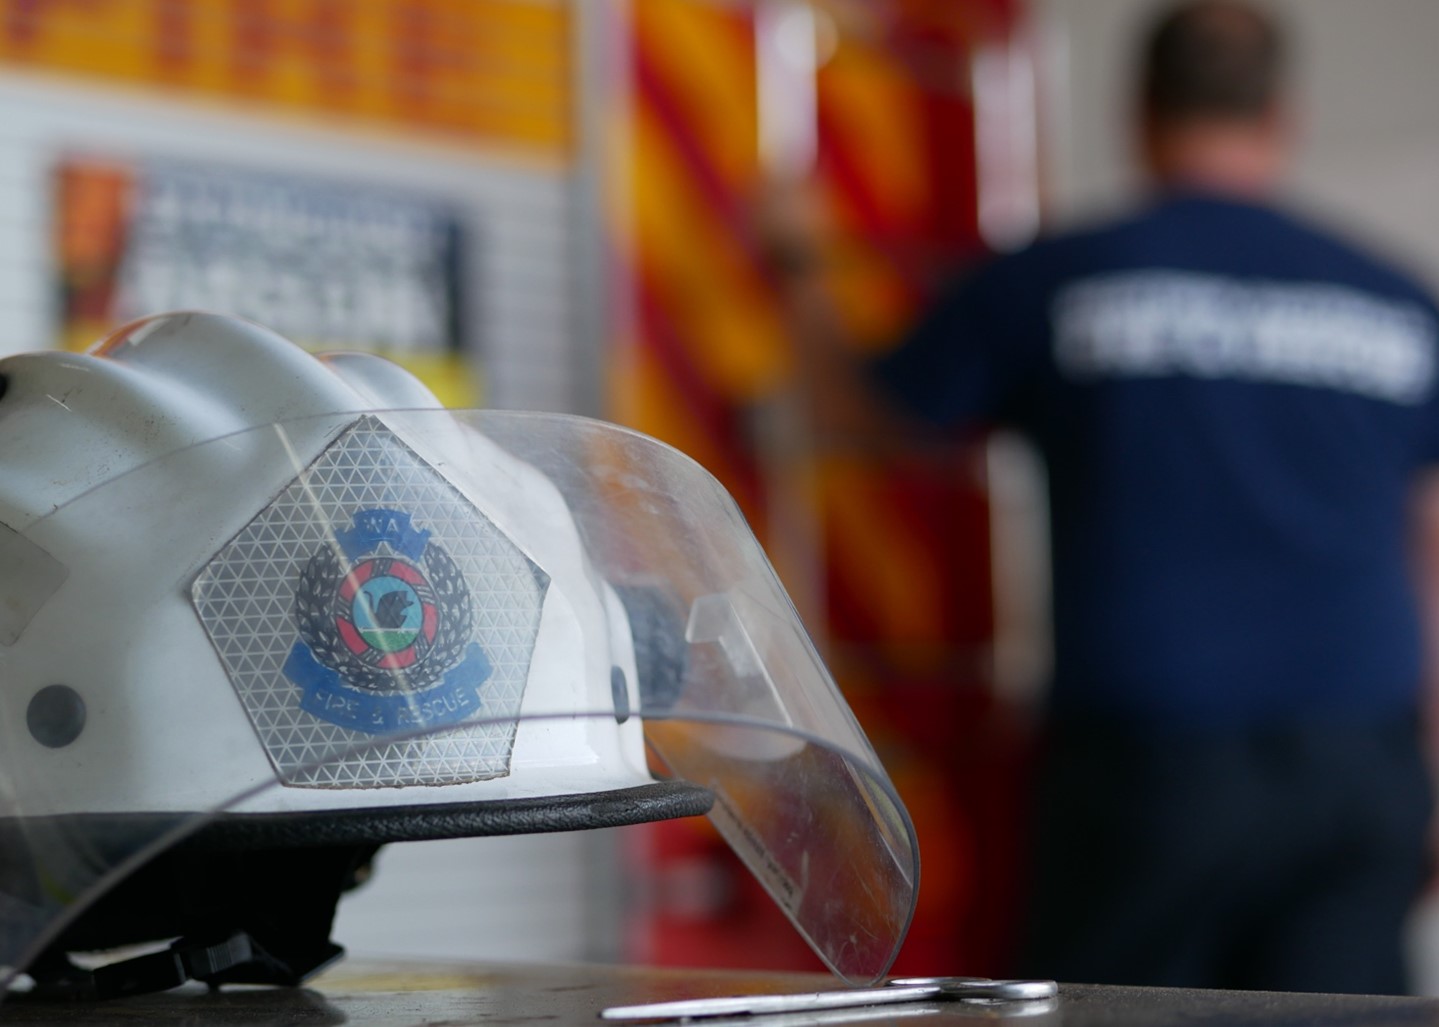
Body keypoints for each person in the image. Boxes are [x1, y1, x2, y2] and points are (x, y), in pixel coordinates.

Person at [784, 0, 1439, 994]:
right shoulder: (1393, 303)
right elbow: (1428, 537)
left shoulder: (1062, 280)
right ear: (1280, 118)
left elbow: (866, 410)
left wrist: (793, 262)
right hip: (1359, 770)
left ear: (1137, 113)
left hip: (1150, 774)